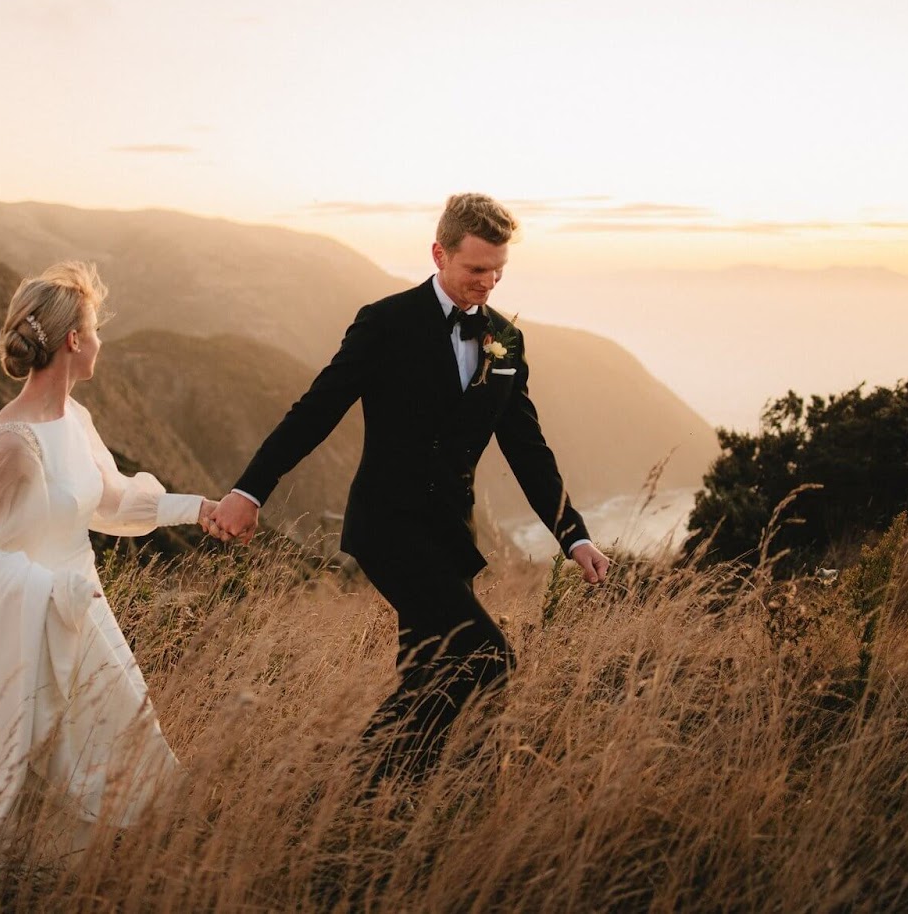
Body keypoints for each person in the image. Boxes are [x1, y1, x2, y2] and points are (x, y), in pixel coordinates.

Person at [208, 193, 610, 780]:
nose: (489, 282)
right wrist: (250, 491)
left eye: (499, 269)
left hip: (450, 537)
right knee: (489, 658)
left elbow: (528, 449)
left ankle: (384, 800)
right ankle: (356, 783)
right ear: (439, 254)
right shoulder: (386, 322)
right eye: (476, 269)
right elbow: (316, 411)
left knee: (432, 673)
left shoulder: (506, 341)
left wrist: (573, 536)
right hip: (388, 527)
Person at [0, 262, 212, 847]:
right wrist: (54, 593)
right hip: (44, 624)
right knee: (60, 773)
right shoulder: (13, 440)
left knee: (129, 750)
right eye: (94, 330)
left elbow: (116, 500)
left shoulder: (76, 417)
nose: (100, 342)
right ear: (74, 339)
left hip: (88, 614)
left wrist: (198, 508)